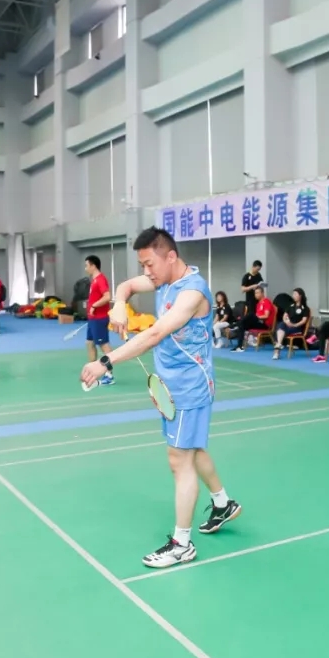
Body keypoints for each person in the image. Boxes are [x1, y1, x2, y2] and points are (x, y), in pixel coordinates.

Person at [80, 227, 241, 569]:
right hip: (171, 384)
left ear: (171, 257)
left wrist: (105, 362)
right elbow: (125, 286)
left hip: (190, 387)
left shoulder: (192, 292)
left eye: (150, 264)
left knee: (178, 459)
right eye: (143, 265)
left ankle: (182, 544)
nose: (146, 271)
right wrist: (119, 304)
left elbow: (154, 334)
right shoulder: (162, 278)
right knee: (192, 448)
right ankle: (223, 502)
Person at [82, 255, 115, 386]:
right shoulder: (94, 280)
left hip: (99, 319)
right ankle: (92, 370)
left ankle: (109, 375)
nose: (85, 268)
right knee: (89, 343)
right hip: (92, 319)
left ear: (93, 266)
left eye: (87, 265)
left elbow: (107, 296)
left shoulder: (101, 279)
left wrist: (94, 305)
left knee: (104, 345)